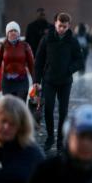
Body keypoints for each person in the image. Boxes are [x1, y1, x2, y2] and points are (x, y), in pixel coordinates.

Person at [34, 12, 83, 151]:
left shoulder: (72, 41)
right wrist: (37, 80)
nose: (62, 29)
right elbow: (38, 61)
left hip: (65, 81)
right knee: (48, 109)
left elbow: (80, 60)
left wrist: (69, 69)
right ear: (55, 23)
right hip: (49, 80)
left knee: (63, 111)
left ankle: (61, 140)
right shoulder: (46, 39)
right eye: (60, 26)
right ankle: (50, 137)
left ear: (68, 26)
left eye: (65, 27)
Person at [0, 21, 34, 102]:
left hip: (22, 81)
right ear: (7, 33)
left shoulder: (25, 46)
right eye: (11, 31)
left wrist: (36, 80)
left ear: (19, 33)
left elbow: (31, 64)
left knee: (20, 105)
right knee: (9, 106)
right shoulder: (2, 46)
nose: (13, 33)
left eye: (15, 31)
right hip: (7, 82)